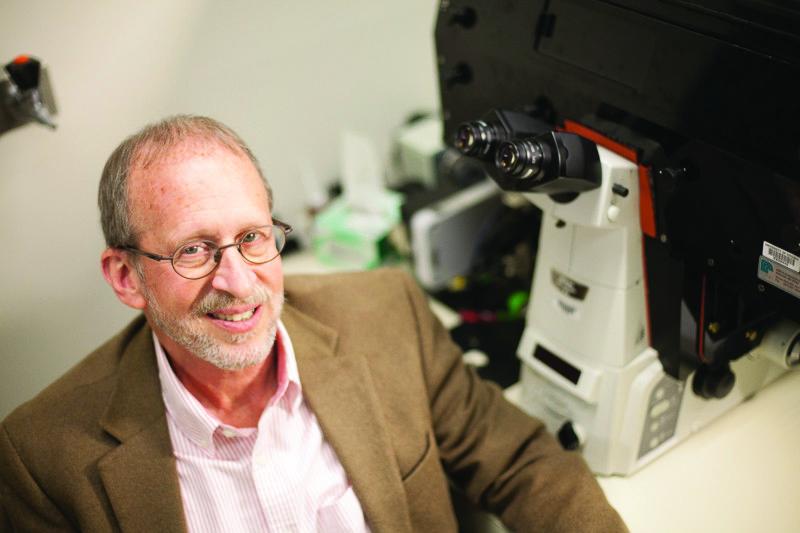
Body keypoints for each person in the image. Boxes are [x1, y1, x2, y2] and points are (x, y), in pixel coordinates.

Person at [0, 115, 627, 532]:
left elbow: (521, 462)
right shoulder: (40, 459)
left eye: (251, 237)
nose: (239, 282)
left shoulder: (387, 316)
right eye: (193, 250)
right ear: (126, 277)